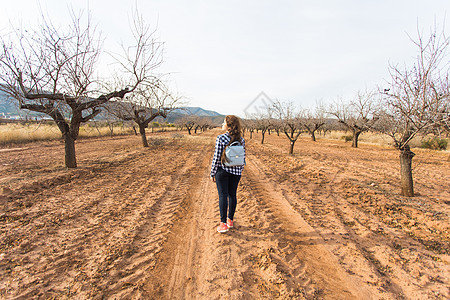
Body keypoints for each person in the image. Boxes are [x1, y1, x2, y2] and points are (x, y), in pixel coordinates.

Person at [210, 115, 246, 233]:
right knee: (232, 195)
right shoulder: (241, 139)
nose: (222, 124)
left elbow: (216, 158)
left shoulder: (221, 138)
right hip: (236, 172)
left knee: (223, 196)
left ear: (228, 125)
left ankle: (223, 224)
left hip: (223, 171)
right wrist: (239, 170)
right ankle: (230, 221)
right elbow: (242, 157)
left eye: (224, 122)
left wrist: (212, 173)